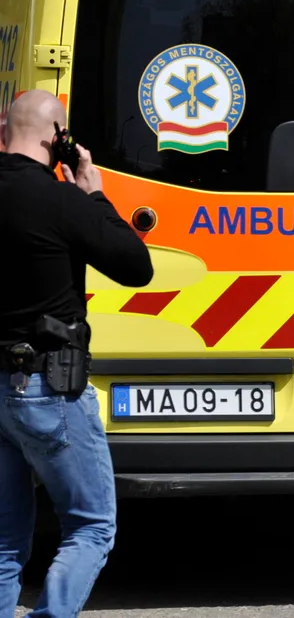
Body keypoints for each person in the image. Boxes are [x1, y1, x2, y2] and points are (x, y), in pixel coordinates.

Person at [0, 90, 153, 618]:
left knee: (2, 542)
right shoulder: (62, 201)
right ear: (58, 140)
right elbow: (136, 267)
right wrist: (94, 195)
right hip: (48, 388)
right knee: (90, 526)